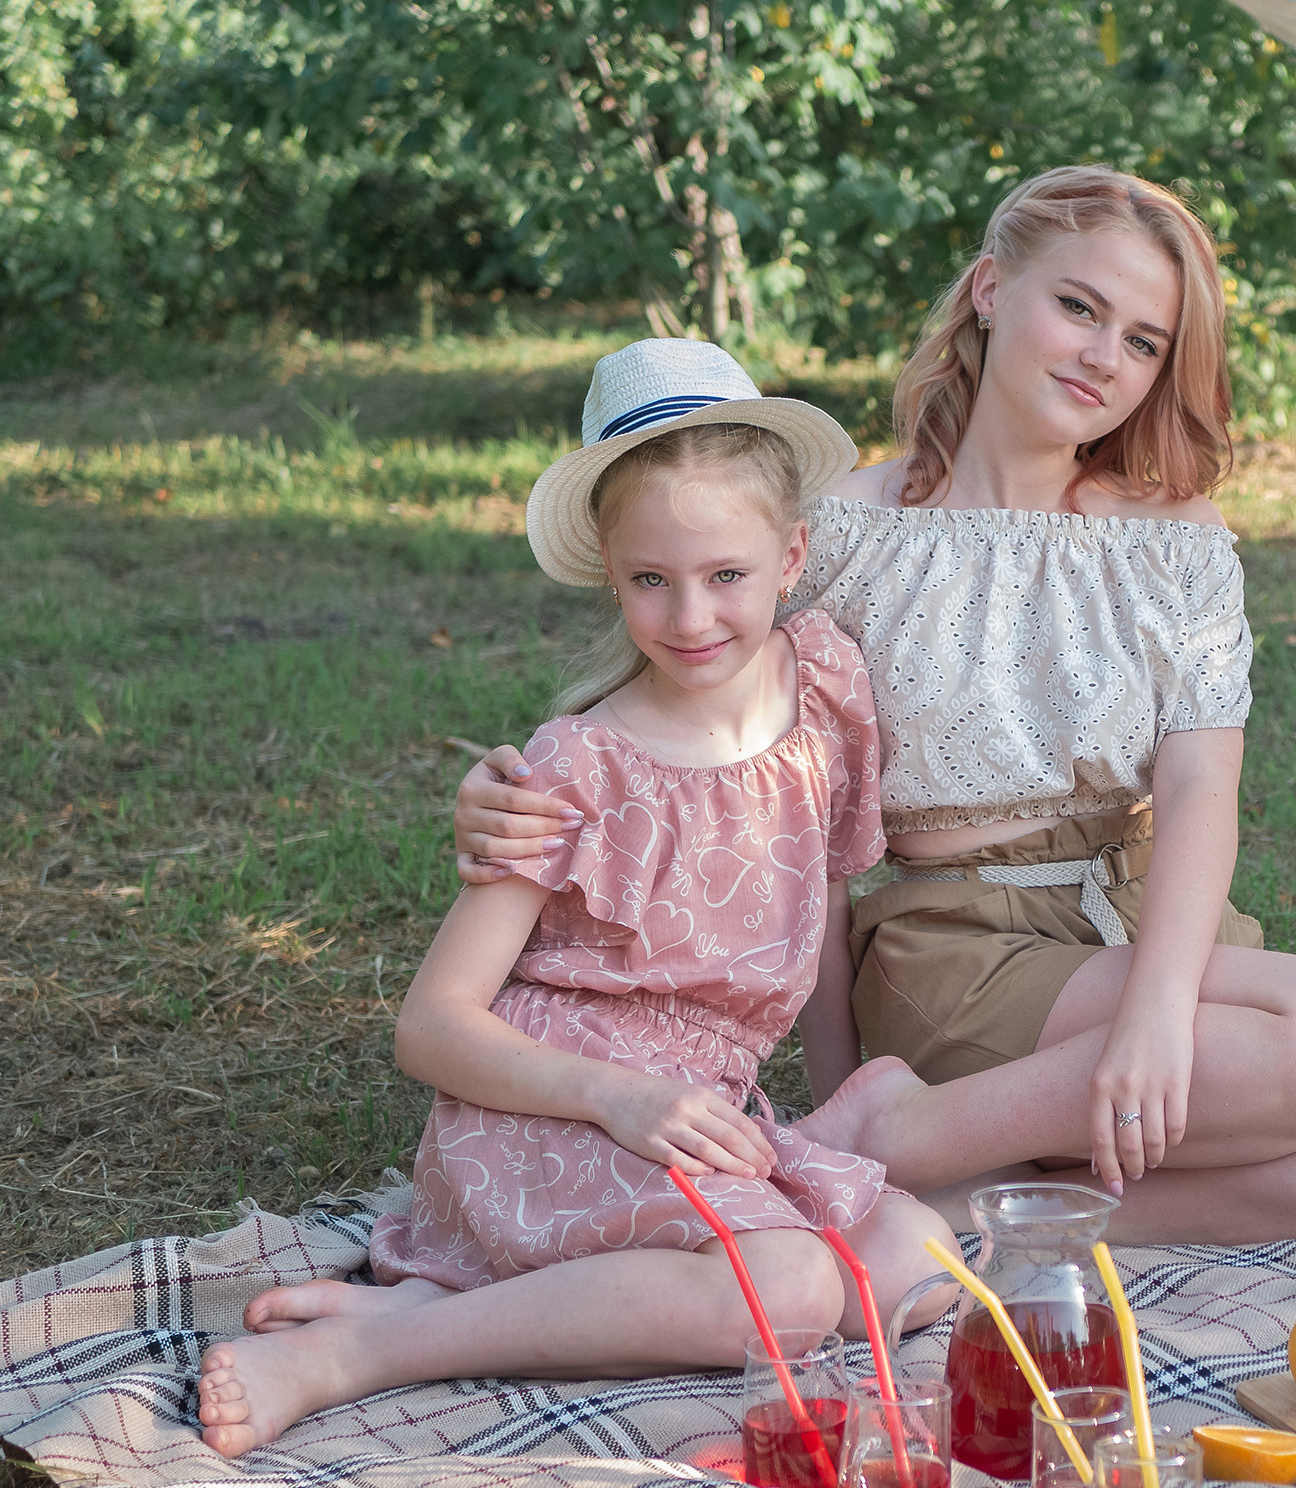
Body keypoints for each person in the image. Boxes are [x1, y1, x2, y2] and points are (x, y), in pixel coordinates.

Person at [456, 167, 1296, 1246]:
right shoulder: (846, 533)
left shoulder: (1175, 535)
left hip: (1149, 924)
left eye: (1145, 341)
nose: (1106, 356)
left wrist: (1157, 1013)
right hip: (959, 946)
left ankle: (980, 1205)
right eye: (1078, 306)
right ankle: (897, 1123)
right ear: (988, 289)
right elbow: (701, 731)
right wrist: (504, 797)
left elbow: (1204, 784)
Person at [198, 342, 950, 1458]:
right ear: (610, 568)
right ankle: (359, 1355)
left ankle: (445, 1307)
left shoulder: (824, 685)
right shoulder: (577, 771)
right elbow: (432, 1024)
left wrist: (826, 1131)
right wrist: (616, 1098)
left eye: (726, 575)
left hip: (696, 1114)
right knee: (789, 1286)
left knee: (917, 1256)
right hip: (551, 1114)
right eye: (652, 579)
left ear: (791, 555)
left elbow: (826, 912)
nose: (691, 615)